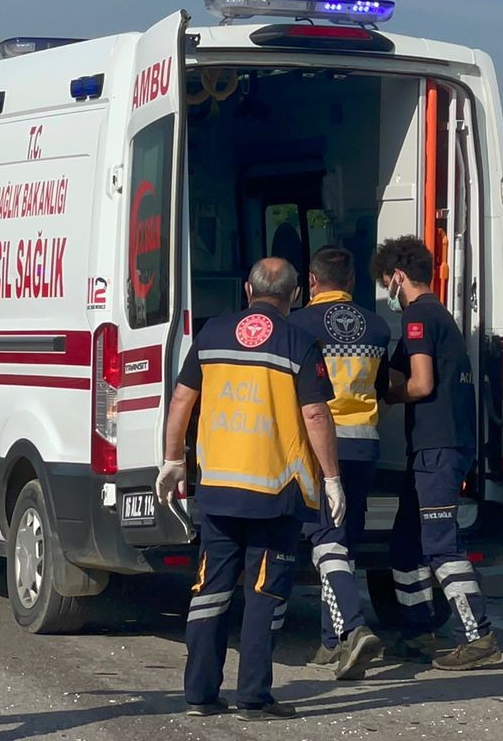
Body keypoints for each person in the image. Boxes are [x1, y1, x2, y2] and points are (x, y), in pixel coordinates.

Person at [158, 257, 346, 720]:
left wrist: (173, 458)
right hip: (275, 493)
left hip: (219, 487)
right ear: (295, 296)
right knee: (264, 594)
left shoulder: (212, 334)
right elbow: (316, 415)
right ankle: (254, 697)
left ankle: (200, 694)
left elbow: (182, 398)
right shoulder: (299, 342)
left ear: (247, 289)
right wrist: (332, 478)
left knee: (210, 589)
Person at [373, 235, 501, 671]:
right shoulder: (440, 316)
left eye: (386, 281)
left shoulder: (417, 319)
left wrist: (387, 395)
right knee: (405, 545)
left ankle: (478, 635)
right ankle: (417, 630)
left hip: (437, 448)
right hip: (435, 447)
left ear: (399, 277)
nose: (386, 290)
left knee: (440, 545)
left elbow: (421, 383)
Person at [290, 246, 391, 680]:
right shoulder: (380, 326)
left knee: (325, 538)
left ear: (312, 281)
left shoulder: (297, 326)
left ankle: (352, 628)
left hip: (320, 446)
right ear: (351, 282)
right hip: (364, 446)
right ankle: (330, 642)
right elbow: (382, 388)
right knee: (343, 539)